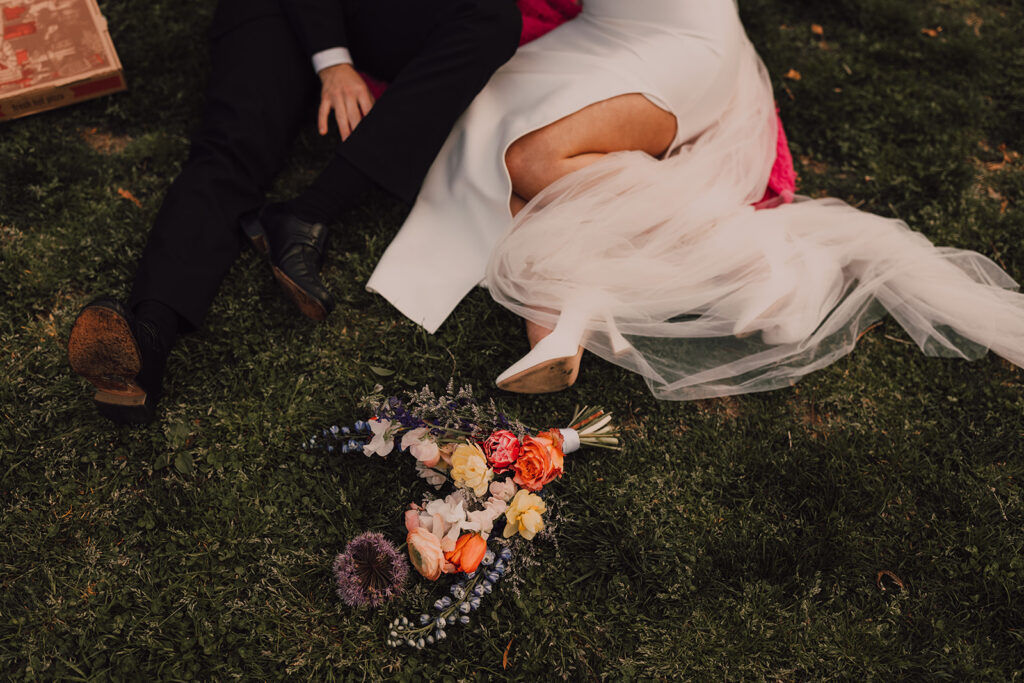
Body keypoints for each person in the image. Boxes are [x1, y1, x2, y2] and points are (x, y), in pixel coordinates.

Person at [367, 0, 1024, 399]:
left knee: (530, 159)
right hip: (604, 31)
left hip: (679, 45)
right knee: (486, 112)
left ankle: (761, 261)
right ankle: (558, 314)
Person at [66, 0, 522, 424]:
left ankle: (308, 212)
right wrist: (332, 62)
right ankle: (150, 338)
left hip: (379, 12)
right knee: (232, 149)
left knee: (493, 17)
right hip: (274, 10)